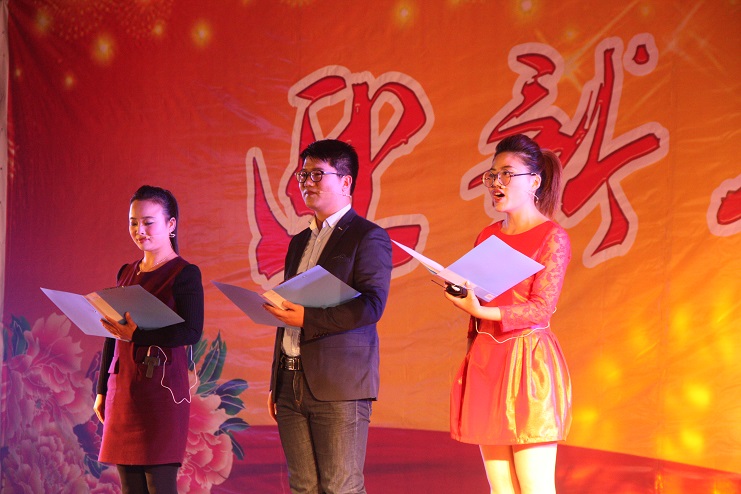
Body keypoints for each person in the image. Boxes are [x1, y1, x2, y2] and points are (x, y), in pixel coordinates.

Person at [264, 139, 392, 494]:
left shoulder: (368, 236)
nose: (307, 182)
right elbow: (292, 308)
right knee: (303, 486)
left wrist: (308, 319)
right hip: (290, 380)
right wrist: (276, 379)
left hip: (339, 384)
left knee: (341, 487)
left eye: (318, 174)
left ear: (346, 181)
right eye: (303, 175)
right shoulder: (299, 242)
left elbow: (372, 306)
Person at [445, 134, 572, 494]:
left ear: (534, 181)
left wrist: (483, 309)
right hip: (487, 358)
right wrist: (465, 298)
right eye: (492, 175)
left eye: (506, 174)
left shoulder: (552, 237)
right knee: (500, 489)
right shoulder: (487, 236)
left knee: (534, 487)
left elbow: (542, 306)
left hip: (528, 360)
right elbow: (478, 298)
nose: (496, 183)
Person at [93, 185, 204, 494]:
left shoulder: (184, 273)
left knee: (159, 485)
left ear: (171, 224)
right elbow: (113, 334)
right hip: (123, 391)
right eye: (133, 222)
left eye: (148, 222)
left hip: (161, 394)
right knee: (130, 487)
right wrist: (101, 389)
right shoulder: (126, 273)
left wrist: (138, 335)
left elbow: (191, 331)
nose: (139, 230)